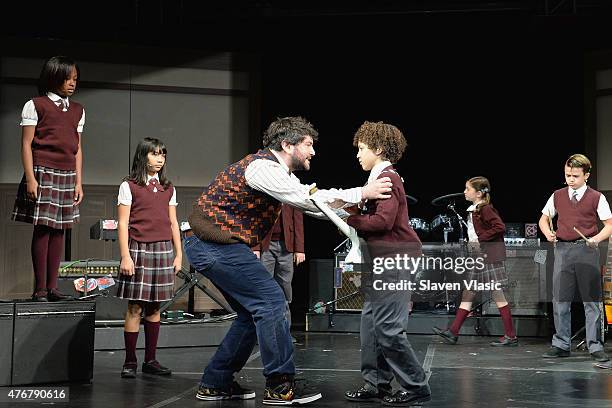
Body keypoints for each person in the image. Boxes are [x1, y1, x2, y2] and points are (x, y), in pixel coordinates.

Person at [183, 116, 393, 405]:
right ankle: (281, 385)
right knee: (271, 301)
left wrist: (358, 220)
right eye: (308, 145)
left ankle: (215, 381)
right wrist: (361, 193)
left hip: (216, 246)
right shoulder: (262, 167)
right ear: (286, 144)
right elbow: (305, 199)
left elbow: (316, 207)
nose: (313, 152)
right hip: (212, 244)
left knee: (250, 314)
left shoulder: (279, 173)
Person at [343, 121, 430, 406]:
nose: (358, 154)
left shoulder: (388, 178)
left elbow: (384, 221)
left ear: (379, 149)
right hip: (381, 261)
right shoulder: (376, 179)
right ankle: (376, 383)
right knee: (370, 324)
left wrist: (349, 219)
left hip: (396, 259)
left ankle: (416, 385)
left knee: (389, 327)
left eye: (363, 149)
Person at [12, 56, 84, 302]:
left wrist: (78, 182)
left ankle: (53, 287)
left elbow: (78, 149)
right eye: (67, 78)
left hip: (67, 174)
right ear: (53, 78)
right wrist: (31, 178)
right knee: (43, 229)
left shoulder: (78, 110)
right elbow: (26, 144)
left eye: (75, 78)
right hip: (43, 170)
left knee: (60, 230)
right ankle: (40, 288)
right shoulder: (36, 105)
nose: (72, 83)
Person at [116, 138, 182, 378]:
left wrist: (179, 254)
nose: (160, 159)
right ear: (143, 156)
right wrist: (125, 256)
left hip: (163, 250)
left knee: (155, 308)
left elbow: (174, 223)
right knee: (135, 307)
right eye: (154, 154)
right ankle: (130, 361)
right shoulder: (130, 185)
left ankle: (150, 360)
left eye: (162, 154)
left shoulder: (168, 188)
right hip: (139, 249)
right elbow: (123, 223)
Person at [539, 154, 612, 362]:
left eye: (575, 176)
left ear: (586, 175)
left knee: (591, 300)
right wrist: (547, 233)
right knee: (560, 299)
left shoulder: (596, 197)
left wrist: (596, 239)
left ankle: (595, 346)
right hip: (562, 250)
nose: (570, 179)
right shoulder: (558, 195)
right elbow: (544, 219)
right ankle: (561, 343)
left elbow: (609, 224)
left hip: (586, 250)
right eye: (567, 175)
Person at [432, 177, 518, 347]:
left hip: (488, 258)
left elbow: (499, 227)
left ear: (478, 193)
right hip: (477, 258)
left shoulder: (484, 209)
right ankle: (453, 331)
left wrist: (480, 240)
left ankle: (511, 335)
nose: (464, 192)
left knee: (497, 293)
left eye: (467, 189)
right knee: (469, 292)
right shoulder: (475, 210)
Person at [253, 204, 305, 339]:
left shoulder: (290, 193)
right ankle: (263, 333)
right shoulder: (266, 191)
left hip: (286, 246)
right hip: (266, 245)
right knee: (264, 288)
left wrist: (299, 249)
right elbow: (256, 220)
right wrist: (256, 247)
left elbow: (298, 221)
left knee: (285, 288)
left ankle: (284, 333)